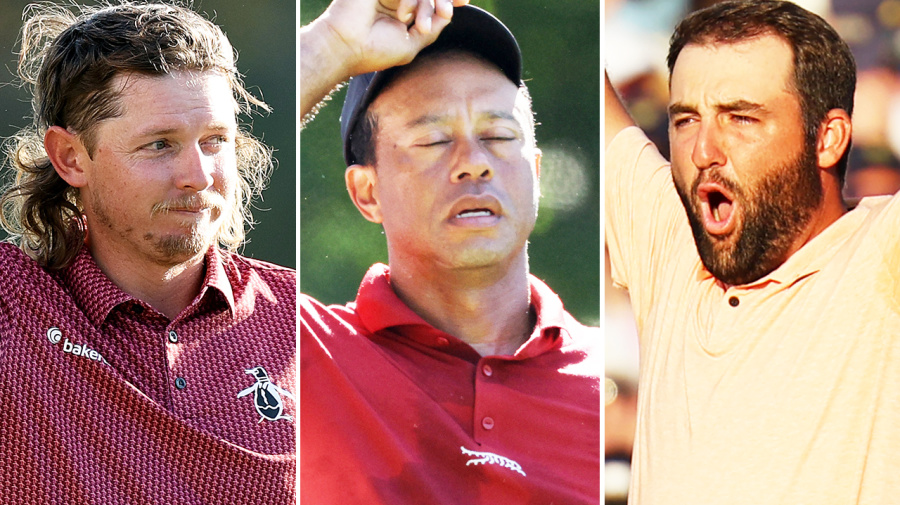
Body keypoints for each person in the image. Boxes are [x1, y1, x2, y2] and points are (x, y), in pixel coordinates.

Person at [300, 0, 601, 502]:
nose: (474, 164)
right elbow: (215, 144)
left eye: (499, 135)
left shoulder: (614, 386)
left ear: (537, 174)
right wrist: (333, 44)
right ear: (366, 193)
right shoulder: (304, 352)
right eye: (434, 140)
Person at [605, 0, 900, 503]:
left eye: (740, 118)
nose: (703, 151)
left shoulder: (881, 253)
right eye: (685, 121)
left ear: (827, 139)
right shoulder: (669, 244)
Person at [0, 2, 295, 502]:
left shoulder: (296, 316)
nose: (199, 176)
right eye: (160, 144)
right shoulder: (14, 307)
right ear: (71, 158)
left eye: (214, 141)